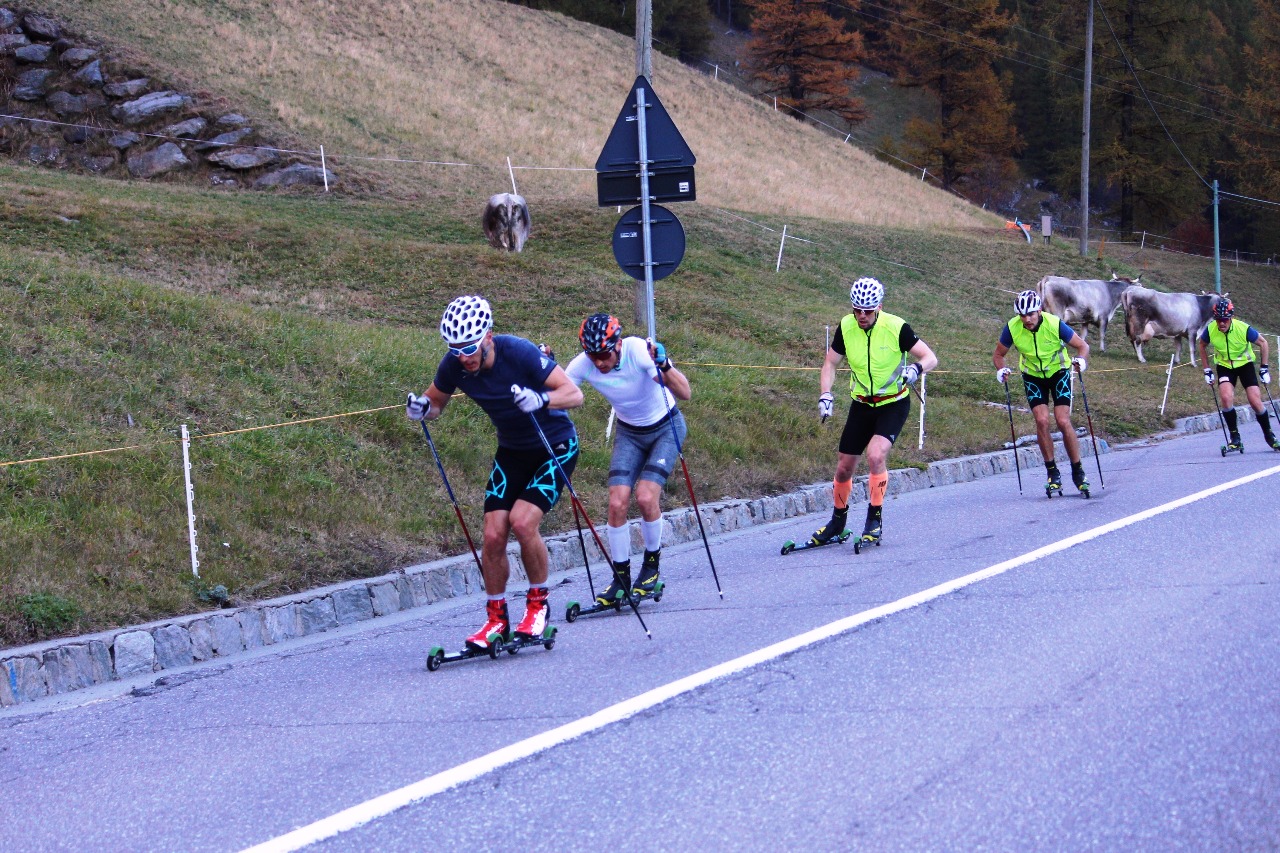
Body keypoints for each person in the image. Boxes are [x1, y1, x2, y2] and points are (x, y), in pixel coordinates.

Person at [406, 294, 584, 651]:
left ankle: (537, 607)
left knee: (522, 522)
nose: (465, 357)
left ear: (488, 335)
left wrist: (542, 400)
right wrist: (422, 409)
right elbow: (436, 403)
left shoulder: (517, 351)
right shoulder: (455, 364)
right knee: (491, 535)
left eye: (470, 346)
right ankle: (496, 618)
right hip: (513, 451)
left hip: (555, 446)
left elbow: (574, 393)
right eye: (456, 349)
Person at [562, 313, 692, 606]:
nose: (598, 363)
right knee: (617, 501)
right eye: (592, 355)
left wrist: (664, 364)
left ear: (618, 344)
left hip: (665, 427)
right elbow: (559, 391)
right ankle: (620, 577)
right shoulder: (583, 364)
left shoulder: (636, 350)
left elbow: (685, 392)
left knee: (646, 498)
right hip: (630, 433)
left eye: (604, 354)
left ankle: (651, 568)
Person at [813, 277, 938, 546]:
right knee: (844, 465)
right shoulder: (846, 326)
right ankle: (837, 521)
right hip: (862, 404)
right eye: (857, 309)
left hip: (893, 403)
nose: (861, 316)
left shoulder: (896, 326)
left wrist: (915, 369)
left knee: (875, 454)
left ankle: (874, 519)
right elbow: (830, 364)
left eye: (868, 311)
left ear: (879, 306)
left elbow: (930, 357)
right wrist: (826, 393)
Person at [992, 289, 1091, 495]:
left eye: (1031, 314)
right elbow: (999, 354)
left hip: (1058, 372)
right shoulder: (1012, 328)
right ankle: (1052, 472)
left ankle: (1078, 471)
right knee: (1042, 421)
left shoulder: (1054, 324)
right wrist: (1001, 369)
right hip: (1033, 376)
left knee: (1063, 421)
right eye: (1022, 315)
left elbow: (1082, 346)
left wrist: (1081, 360)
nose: (1027, 319)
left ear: (1039, 310)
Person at [1196, 297, 1278, 451]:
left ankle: (1269, 435)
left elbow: (1263, 343)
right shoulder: (1211, 329)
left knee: (1255, 401)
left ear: (1231, 318)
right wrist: (1207, 370)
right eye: (1218, 319)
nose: (1221, 323)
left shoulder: (1242, 328)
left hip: (1245, 365)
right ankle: (1235, 438)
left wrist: (1264, 368)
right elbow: (1202, 345)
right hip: (1225, 366)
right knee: (1226, 398)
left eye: (1225, 320)